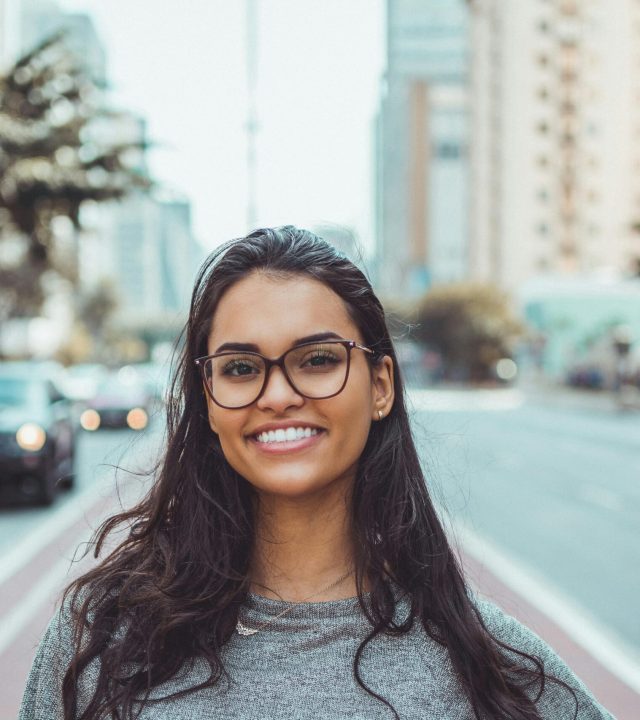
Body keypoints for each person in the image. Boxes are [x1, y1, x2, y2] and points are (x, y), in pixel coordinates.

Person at [20, 226, 613, 720]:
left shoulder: (494, 671)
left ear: (380, 385)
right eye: (242, 367)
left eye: (319, 360)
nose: (277, 395)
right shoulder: (99, 642)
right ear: (206, 399)